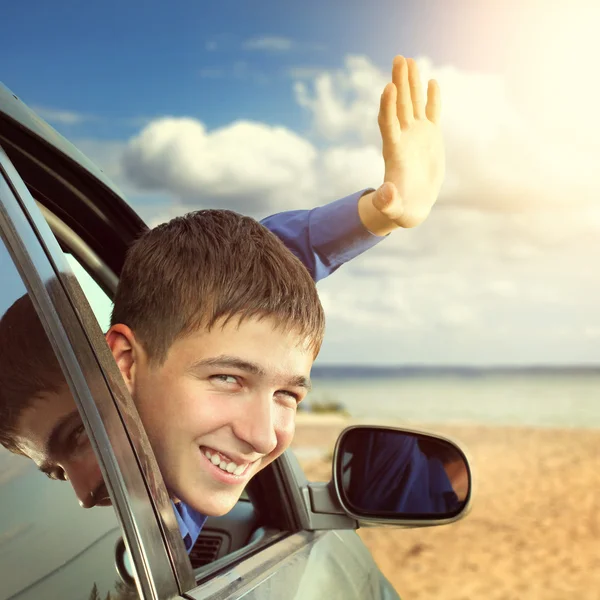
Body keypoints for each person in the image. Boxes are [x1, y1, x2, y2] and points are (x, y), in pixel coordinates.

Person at [0, 54, 445, 552]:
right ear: (126, 365)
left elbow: (225, 294)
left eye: (287, 395)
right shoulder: (152, 509)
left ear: (123, 363)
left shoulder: (171, 483)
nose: (83, 497)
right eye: (228, 379)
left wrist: (377, 215)